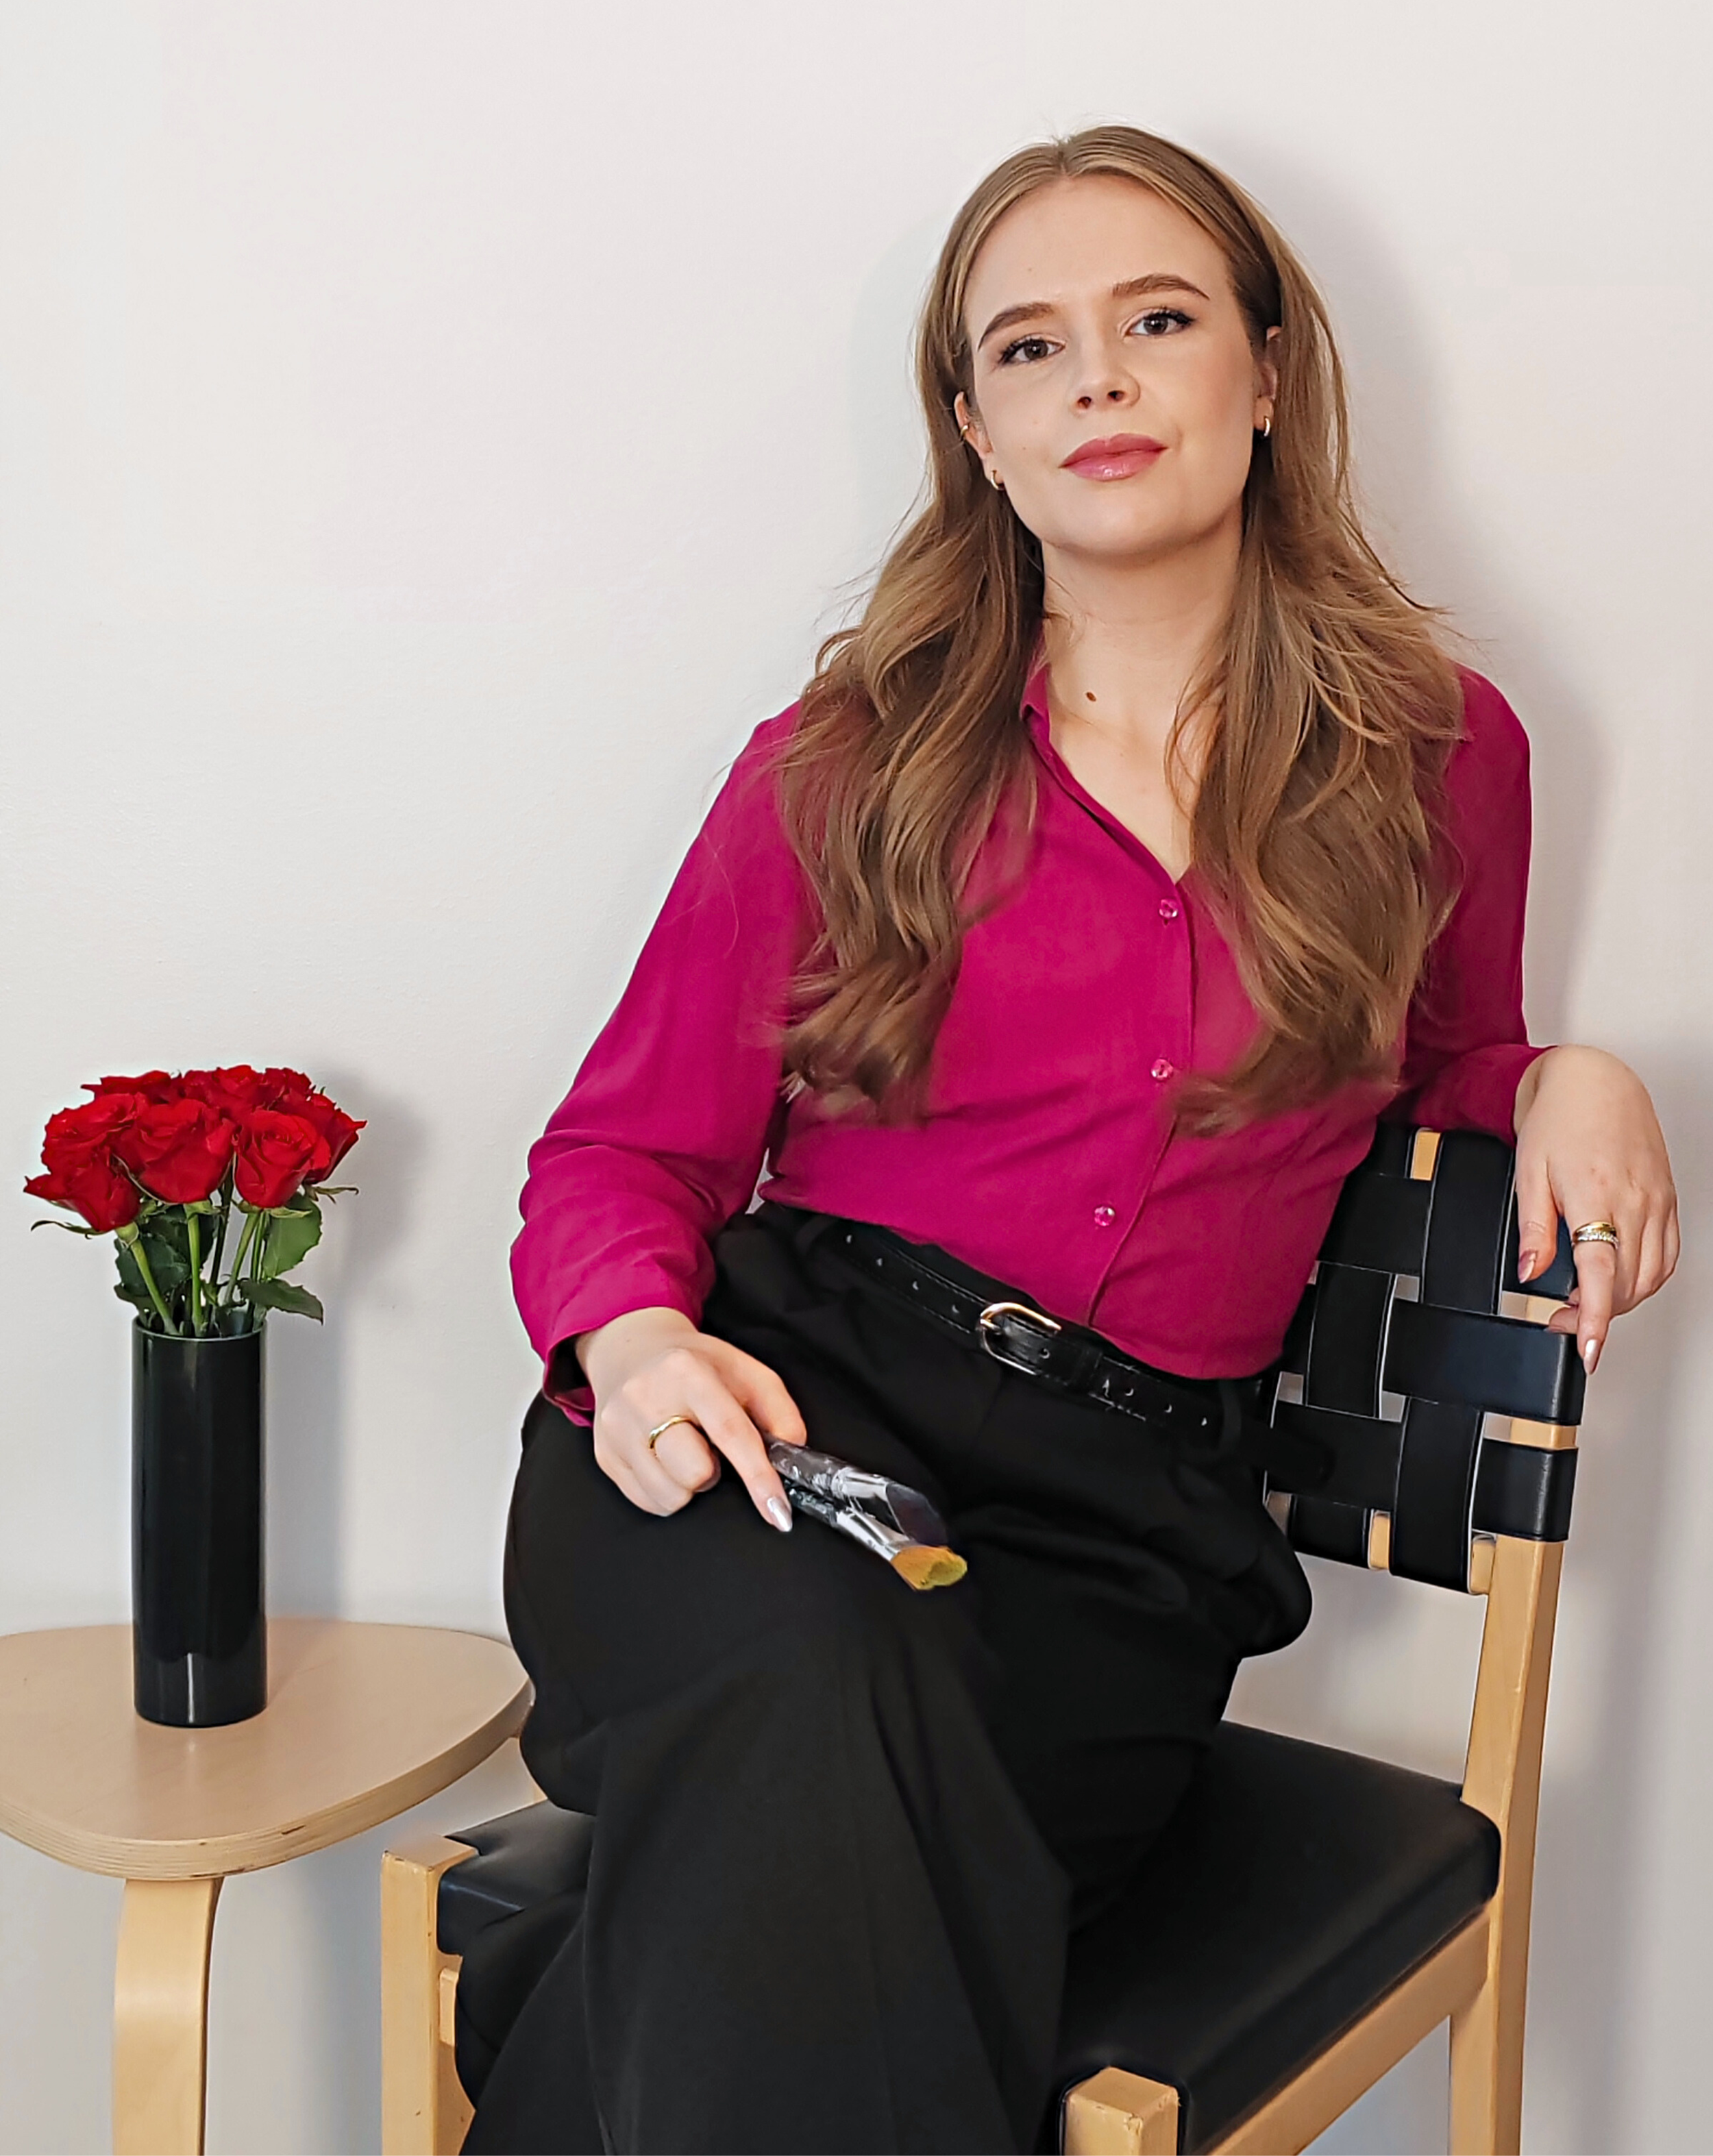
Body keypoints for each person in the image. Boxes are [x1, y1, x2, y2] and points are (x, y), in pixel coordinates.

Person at [464, 127, 1678, 2155]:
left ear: (1265, 372)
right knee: (823, 1688)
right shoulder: (843, 768)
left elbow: (1446, 1058)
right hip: (774, 1435)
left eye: (1157, 320)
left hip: (1112, 1545)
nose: (1096, 379)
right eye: (1028, 347)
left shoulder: (1440, 754)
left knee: (795, 1872)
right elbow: (616, 1163)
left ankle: (550, 2005)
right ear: (974, 427)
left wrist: (1575, 1077)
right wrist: (640, 1345)